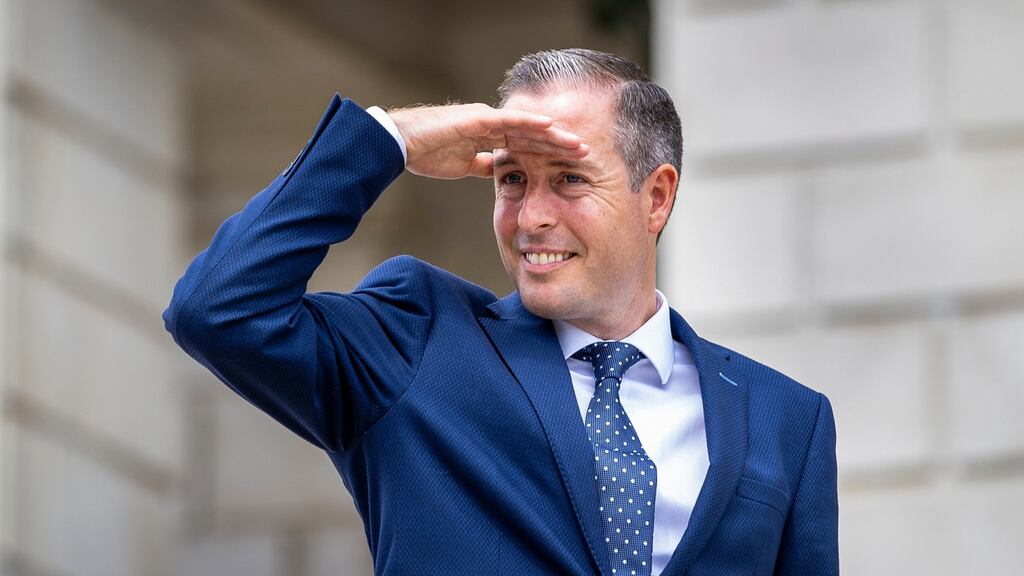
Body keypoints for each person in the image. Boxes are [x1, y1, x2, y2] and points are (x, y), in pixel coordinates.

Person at [164, 48, 838, 575]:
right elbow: (216, 309)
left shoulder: (786, 420)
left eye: (569, 179)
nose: (532, 217)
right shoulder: (419, 338)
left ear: (656, 197)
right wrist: (391, 139)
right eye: (513, 179)